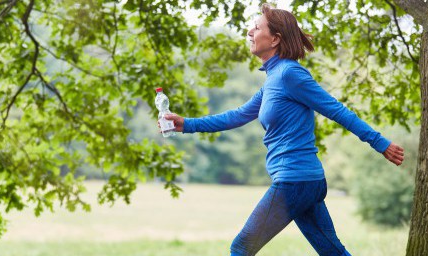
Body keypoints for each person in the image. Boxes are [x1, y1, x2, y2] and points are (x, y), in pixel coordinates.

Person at [159, 4, 405, 256]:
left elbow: (337, 110)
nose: (249, 33)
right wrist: (187, 124)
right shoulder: (273, 79)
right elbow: (238, 115)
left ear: (275, 39)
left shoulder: (290, 74)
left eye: (256, 28)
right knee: (333, 252)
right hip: (304, 181)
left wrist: (380, 143)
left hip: (295, 180)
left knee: (241, 247)